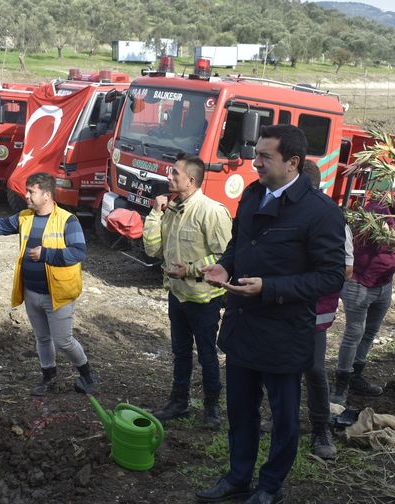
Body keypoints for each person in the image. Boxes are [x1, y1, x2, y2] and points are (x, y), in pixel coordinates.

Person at [197, 125, 345, 504]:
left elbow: (330, 276)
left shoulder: (321, 211)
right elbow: (238, 244)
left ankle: (270, 487)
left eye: (265, 156)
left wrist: (271, 288)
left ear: (293, 162)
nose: (255, 162)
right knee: (241, 412)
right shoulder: (252, 194)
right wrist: (225, 268)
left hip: (284, 331)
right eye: (256, 153)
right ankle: (238, 477)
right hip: (243, 325)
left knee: (283, 418)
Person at [0, 172, 98, 396]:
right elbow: (0, 225)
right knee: (42, 338)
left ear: (46, 195)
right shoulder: (25, 217)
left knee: (63, 341)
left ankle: (87, 374)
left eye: (31, 192)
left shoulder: (68, 220)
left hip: (59, 294)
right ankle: (49, 378)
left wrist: (46, 254)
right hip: (32, 292)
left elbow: (78, 252)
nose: (26, 195)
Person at [143, 153, 232, 429]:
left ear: (191, 180)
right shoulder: (170, 210)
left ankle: (211, 408)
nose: (168, 178)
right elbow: (152, 249)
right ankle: (178, 402)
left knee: (207, 355)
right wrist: (155, 214)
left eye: (174, 175)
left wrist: (191, 269)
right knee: (180, 352)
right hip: (177, 295)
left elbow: (226, 257)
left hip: (203, 299)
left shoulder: (211, 211)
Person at [330, 180, 395, 405]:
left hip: (383, 284)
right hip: (359, 281)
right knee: (354, 332)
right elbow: (386, 237)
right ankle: (340, 386)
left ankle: (356, 375)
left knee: (370, 332)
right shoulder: (377, 210)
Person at [300, 160, 354, 461]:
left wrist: (305, 280)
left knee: (315, 370)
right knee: (281, 369)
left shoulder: (333, 220)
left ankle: (321, 429)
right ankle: (284, 419)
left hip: (315, 312)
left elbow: (345, 269)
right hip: (285, 309)